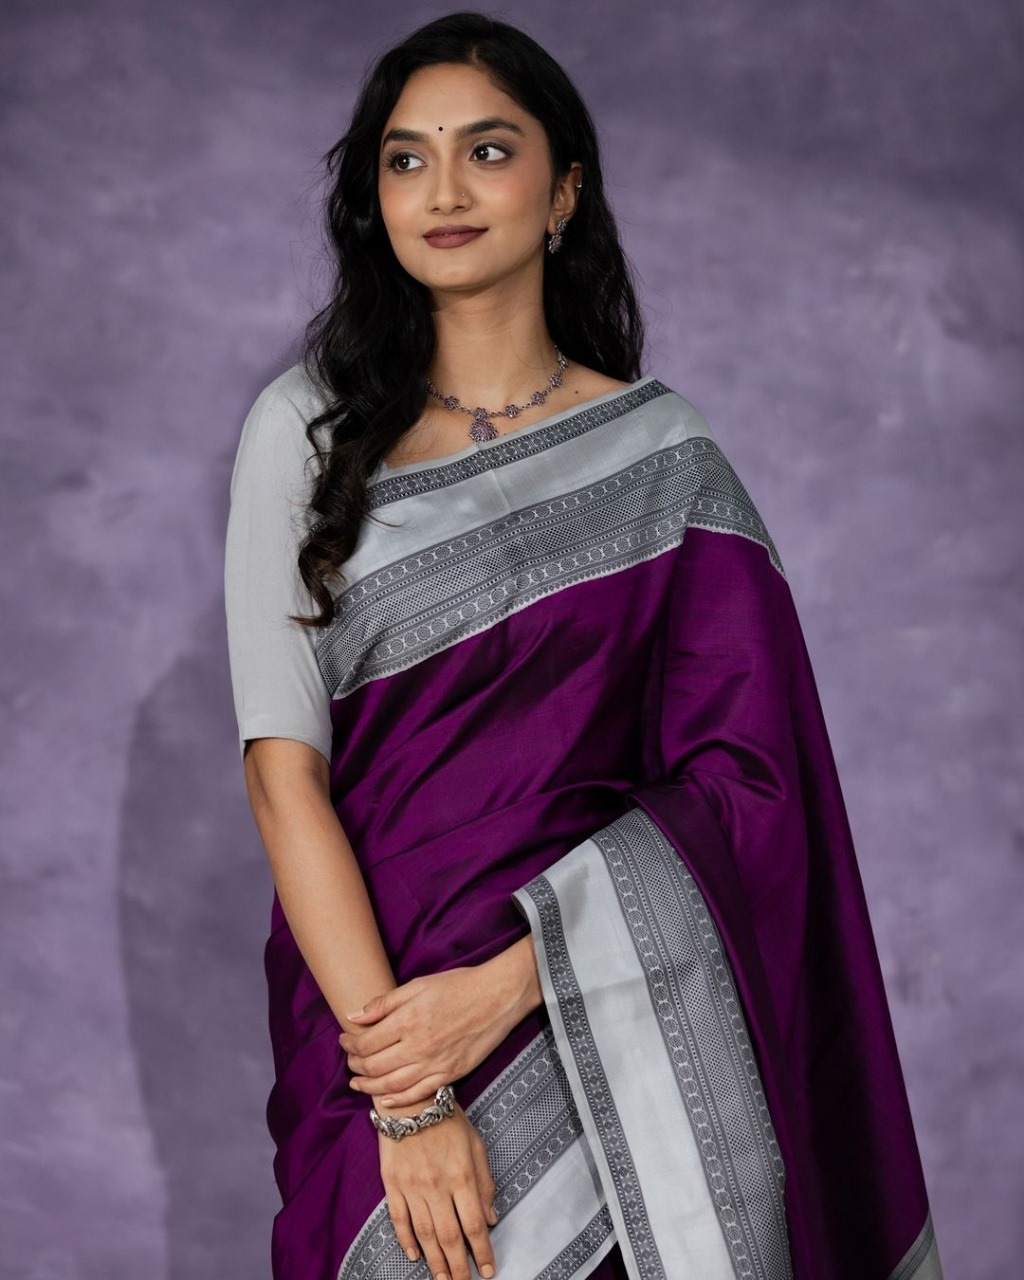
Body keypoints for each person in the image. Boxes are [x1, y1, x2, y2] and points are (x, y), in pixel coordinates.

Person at [223, 12, 941, 1280]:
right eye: (405, 158)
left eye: (488, 150)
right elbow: (285, 778)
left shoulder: (662, 457)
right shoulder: (305, 430)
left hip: (624, 1035)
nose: (443, 190)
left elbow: (750, 789)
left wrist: (519, 983)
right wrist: (412, 1096)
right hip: (379, 1032)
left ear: (562, 192)